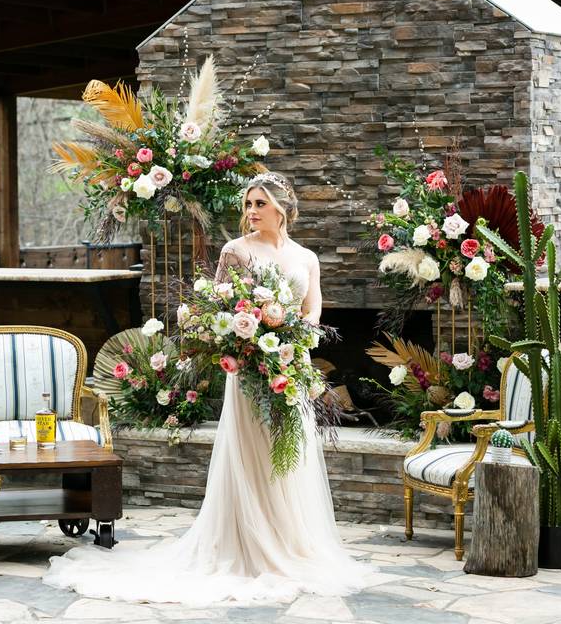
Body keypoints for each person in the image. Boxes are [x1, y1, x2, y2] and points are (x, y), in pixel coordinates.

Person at [43, 172, 382, 605]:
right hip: (248, 368)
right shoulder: (235, 251)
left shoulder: (306, 257)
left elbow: (312, 303)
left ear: (281, 208)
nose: (251, 212)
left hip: (290, 364)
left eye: (259, 203)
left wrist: (300, 332)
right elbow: (217, 305)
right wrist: (248, 338)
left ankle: (290, 541)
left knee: (289, 452)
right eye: (248, 204)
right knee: (251, 452)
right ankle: (245, 545)